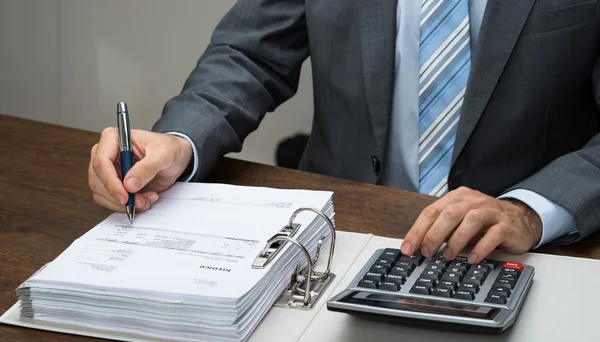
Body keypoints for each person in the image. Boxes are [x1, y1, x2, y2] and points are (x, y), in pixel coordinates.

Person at [88, 0, 600, 264]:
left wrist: (531, 210)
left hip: (523, 250)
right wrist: (180, 141)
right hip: (335, 234)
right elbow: (250, 53)